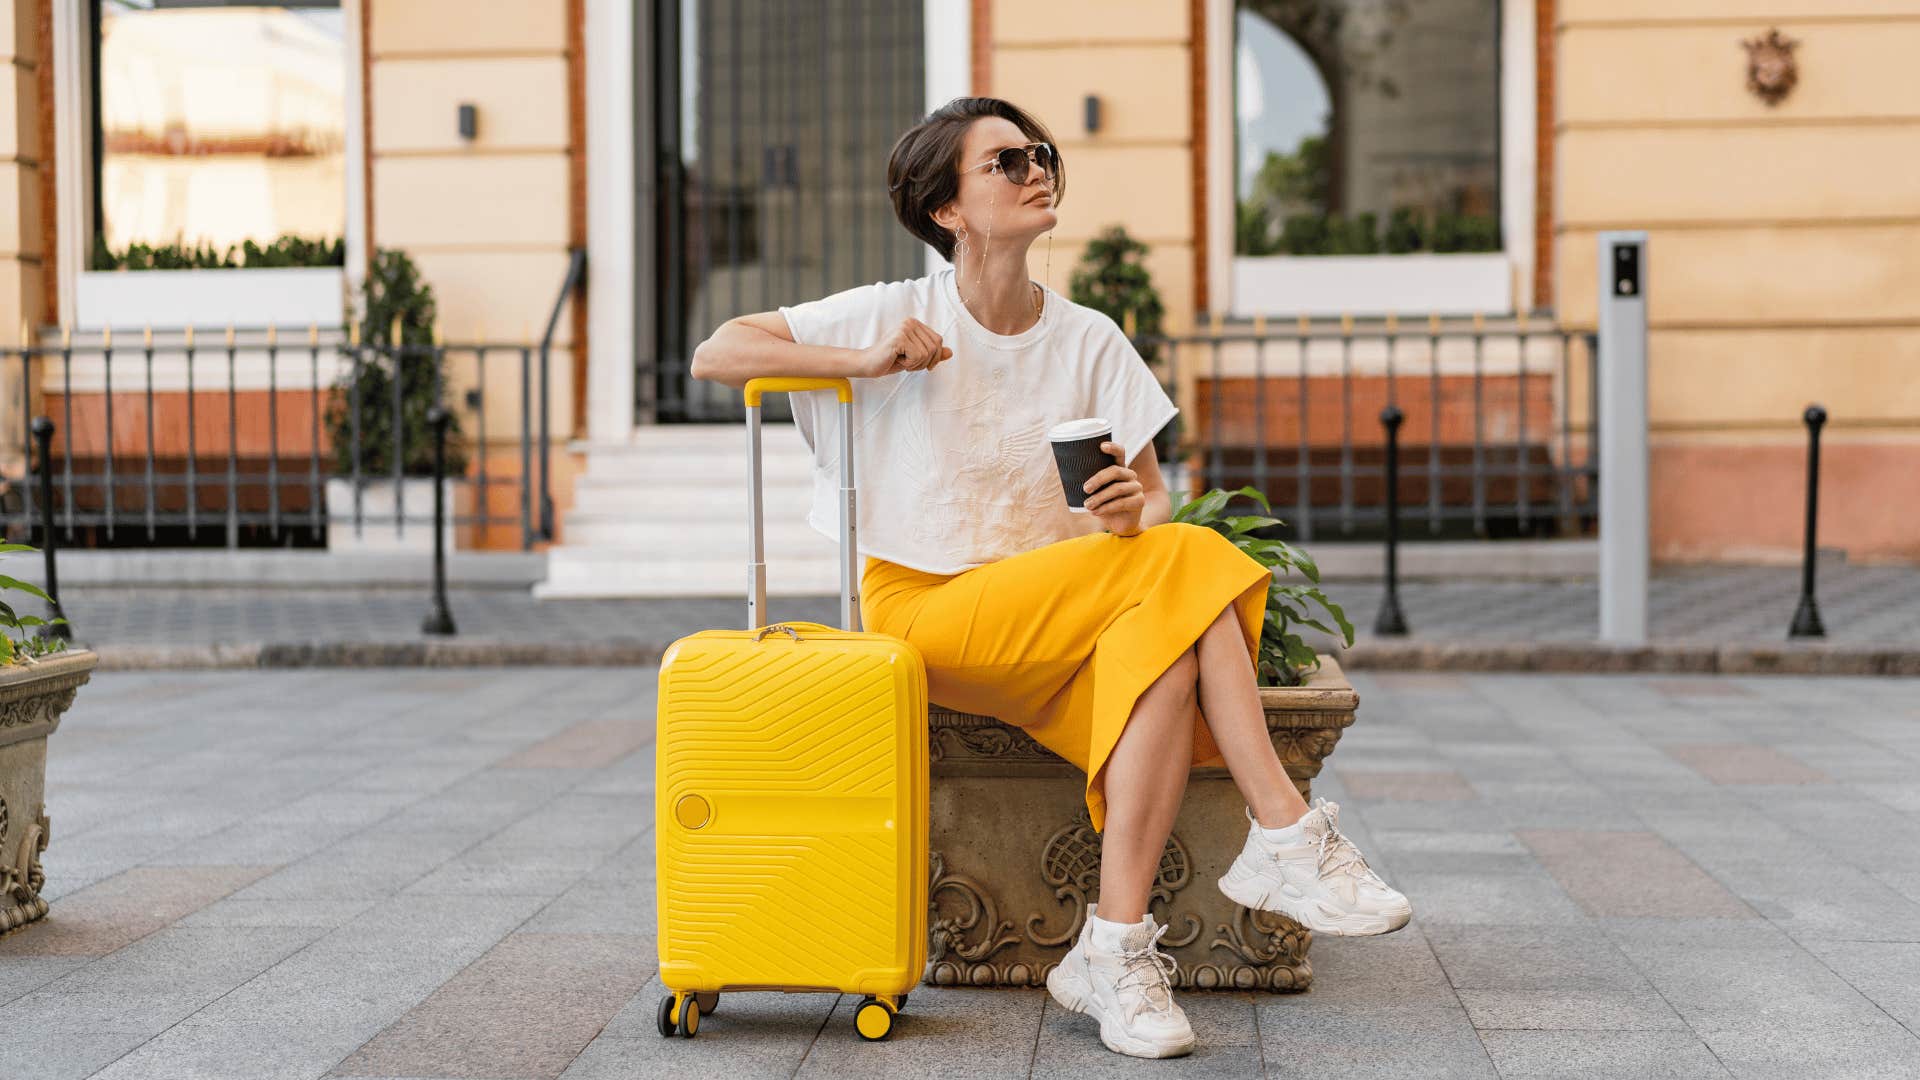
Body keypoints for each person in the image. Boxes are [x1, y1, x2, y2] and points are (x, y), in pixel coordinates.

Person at [689, 96, 1410, 1060]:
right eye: (1006, 162)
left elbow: (1151, 503)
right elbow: (718, 352)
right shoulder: (889, 311)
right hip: (926, 613)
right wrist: (864, 361)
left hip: (1054, 620)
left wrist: (1123, 512)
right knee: (1190, 568)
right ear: (945, 208)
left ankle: (1112, 950)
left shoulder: (1090, 340)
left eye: (1041, 156)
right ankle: (1284, 832)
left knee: (1168, 658)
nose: (1036, 170)